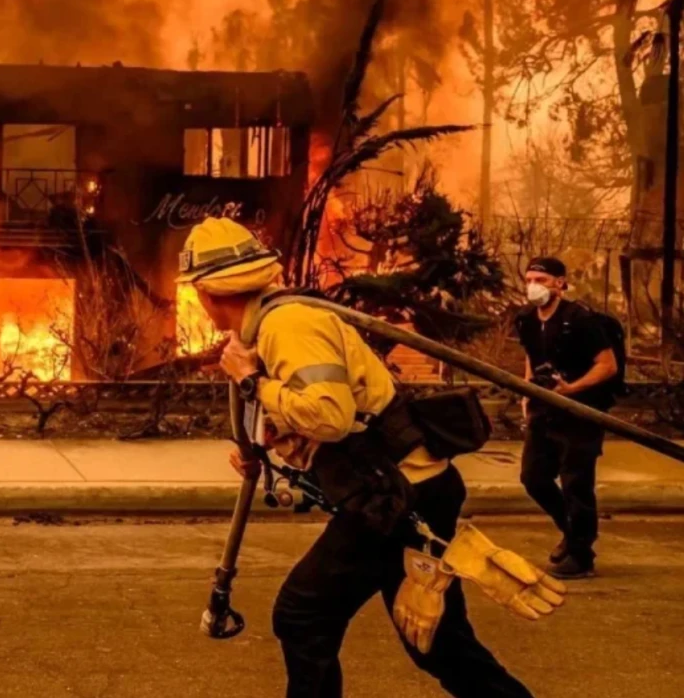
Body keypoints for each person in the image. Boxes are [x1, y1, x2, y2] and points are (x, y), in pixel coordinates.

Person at [179, 218, 534, 697]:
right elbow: (306, 411)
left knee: (302, 614)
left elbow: (329, 415)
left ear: (205, 292)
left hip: (397, 498)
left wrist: (250, 382)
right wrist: (260, 446)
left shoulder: (289, 324)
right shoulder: (264, 329)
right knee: (437, 645)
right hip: (401, 492)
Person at [514, 256, 618, 579]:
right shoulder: (527, 319)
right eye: (529, 279)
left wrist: (571, 389)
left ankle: (581, 554)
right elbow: (532, 359)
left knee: (576, 482)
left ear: (560, 283)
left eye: (541, 280)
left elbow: (607, 365)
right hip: (543, 410)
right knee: (534, 477)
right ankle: (572, 534)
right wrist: (526, 394)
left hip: (580, 411)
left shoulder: (580, 319)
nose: (534, 286)